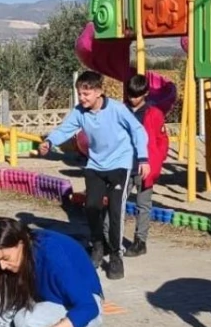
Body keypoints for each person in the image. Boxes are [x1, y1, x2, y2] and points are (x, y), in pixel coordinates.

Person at [39, 71, 149, 280]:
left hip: (120, 164)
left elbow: (137, 131)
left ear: (99, 92)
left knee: (116, 209)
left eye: (86, 94)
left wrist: (143, 159)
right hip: (96, 164)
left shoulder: (117, 109)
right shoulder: (80, 112)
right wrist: (49, 142)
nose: (82, 98)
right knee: (91, 206)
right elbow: (65, 130)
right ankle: (98, 245)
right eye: (80, 94)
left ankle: (116, 256)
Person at [122, 74, 169, 257]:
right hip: (124, 167)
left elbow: (161, 141)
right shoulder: (121, 110)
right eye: (130, 95)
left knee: (143, 205)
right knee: (117, 203)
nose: (133, 99)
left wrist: (156, 162)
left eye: (137, 95)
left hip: (145, 168)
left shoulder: (154, 114)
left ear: (146, 93)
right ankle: (111, 238)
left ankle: (140, 241)